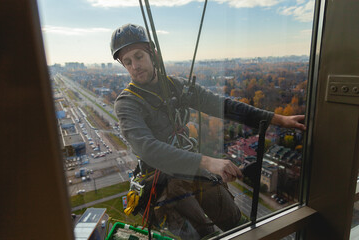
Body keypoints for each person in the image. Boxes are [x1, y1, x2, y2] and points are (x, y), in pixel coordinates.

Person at [110, 23, 306, 239]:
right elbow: (148, 149)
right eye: (127, 62)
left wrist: (276, 119)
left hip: (194, 170)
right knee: (204, 235)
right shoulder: (127, 104)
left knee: (237, 223)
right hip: (164, 184)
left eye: (139, 56)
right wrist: (207, 162)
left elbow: (223, 105)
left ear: (153, 54)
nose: (135, 66)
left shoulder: (176, 86)